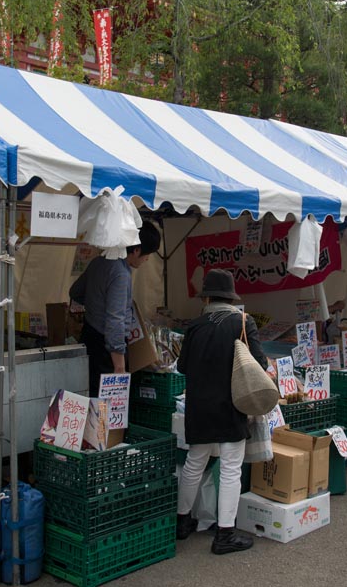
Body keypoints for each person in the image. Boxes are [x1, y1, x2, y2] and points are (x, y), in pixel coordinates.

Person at [175, 269, 266, 555]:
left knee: (194, 462)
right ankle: (225, 534)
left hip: (199, 405)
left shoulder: (195, 325)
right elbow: (259, 362)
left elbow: (181, 367)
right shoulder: (242, 321)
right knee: (230, 467)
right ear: (230, 297)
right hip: (230, 404)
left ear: (208, 297)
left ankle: (182, 522)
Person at [69, 221, 161, 396]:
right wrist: (119, 365)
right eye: (147, 254)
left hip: (89, 337)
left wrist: (95, 304)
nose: (147, 259)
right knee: (108, 410)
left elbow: (75, 291)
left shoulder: (99, 262)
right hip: (107, 350)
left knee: (92, 399)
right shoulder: (120, 272)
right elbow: (116, 319)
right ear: (136, 249)